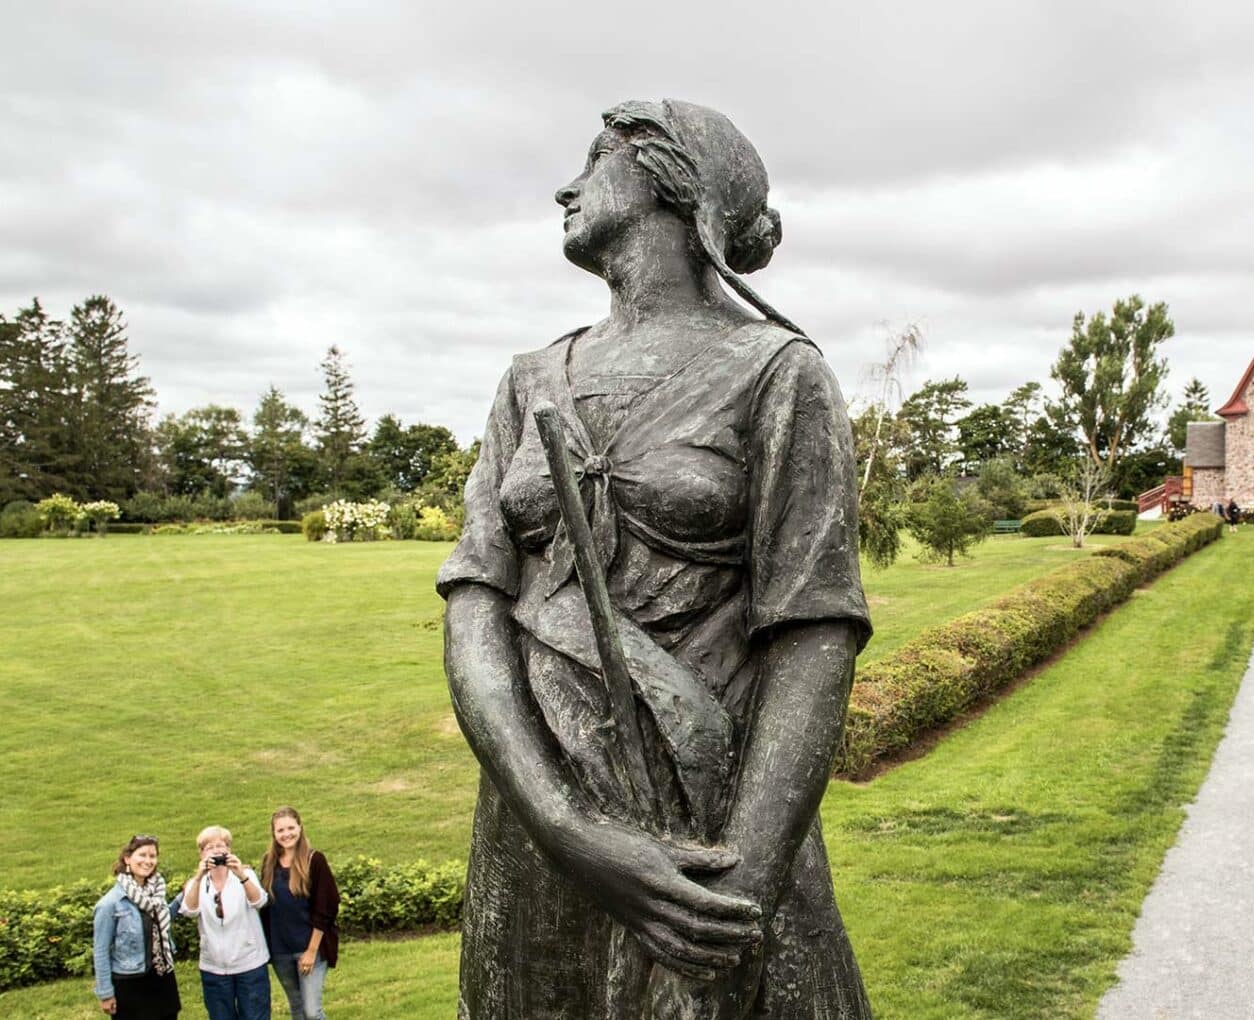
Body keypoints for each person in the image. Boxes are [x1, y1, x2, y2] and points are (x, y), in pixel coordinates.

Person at [440, 99, 873, 1018]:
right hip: (538, 834)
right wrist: (566, 828)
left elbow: (816, 637)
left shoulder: (778, 373)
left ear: (673, 180)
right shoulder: (528, 381)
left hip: (708, 837)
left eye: (596, 157)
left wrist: (728, 910)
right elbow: (474, 607)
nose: (567, 185)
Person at [179, 825, 270, 1020]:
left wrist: (241, 875)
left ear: (229, 850)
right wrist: (198, 876)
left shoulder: (245, 875)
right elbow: (189, 910)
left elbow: (259, 901)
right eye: (209, 847)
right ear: (201, 854)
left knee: (255, 1016)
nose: (216, 851)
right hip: (214, 968)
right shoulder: (197, 882)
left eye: (221, 845)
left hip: (249, 963)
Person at [259, 807, 340, 1020]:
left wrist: (311, 951)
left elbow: (326, 908)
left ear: (300, 827)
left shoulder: (315, 860)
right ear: (274, 834)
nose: (286, 834)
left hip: (309, 946)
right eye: (280, 830)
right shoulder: (269, 862)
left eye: (291, 828)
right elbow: (262, 904)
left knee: (312, 1012)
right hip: (281, 950)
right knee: (296, 1007)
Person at [92, 834, 181, 1018]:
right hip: (129, 984)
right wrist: (105, 993)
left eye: (152, 856)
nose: (148, 861)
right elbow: (100, 950)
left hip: (162, 977)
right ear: (127, 859)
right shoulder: (110, 904)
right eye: (142, 855)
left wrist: (183, 897)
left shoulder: (156, 893)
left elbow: (160, 920)